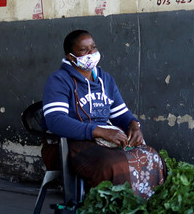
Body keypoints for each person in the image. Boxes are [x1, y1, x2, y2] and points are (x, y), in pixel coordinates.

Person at [42, 29, 165, 199]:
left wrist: (134, 125)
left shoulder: (105, 80)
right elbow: (55, 121)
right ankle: (111, 210)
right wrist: (100, 131)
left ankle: (145, 207)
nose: (91, 53)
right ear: (71, 57)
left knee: (151, 156)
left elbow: (121, 114)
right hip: (71, 144)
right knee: (114, 165)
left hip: (103, 141)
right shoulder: (59, 80)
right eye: (83, 50)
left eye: (93, 47)